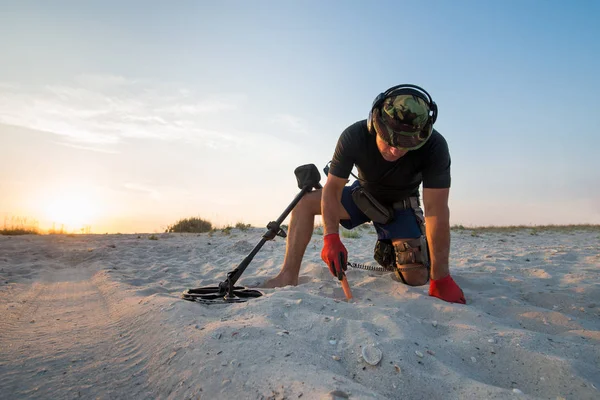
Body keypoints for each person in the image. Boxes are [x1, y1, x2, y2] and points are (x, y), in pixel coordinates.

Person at [263, 84, 466, 304]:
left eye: (406, 144)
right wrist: (331, 237)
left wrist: (441, 277)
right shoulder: (354, 136)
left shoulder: (435, 147)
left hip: (402, 206)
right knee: (304, 203)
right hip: (362, 197)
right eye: (389, 140)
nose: (396, 150)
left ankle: (395, 246)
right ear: (374, 123)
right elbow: (332, 190)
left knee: (416, 278)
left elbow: (436, 211)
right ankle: (287, 275)